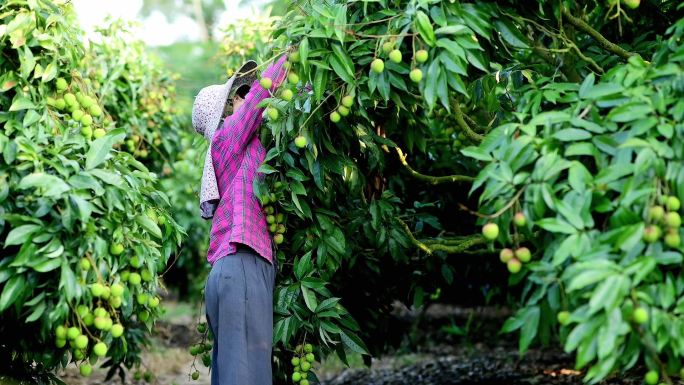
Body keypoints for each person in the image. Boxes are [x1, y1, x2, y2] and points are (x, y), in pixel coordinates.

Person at [191, 55, 287, 385]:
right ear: (230, 107)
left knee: (239, 374)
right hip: (241, 266)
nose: (244, 98)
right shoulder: (227, 137)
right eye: (238, 95)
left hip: (237, 270)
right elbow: (261, 97)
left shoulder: (244, 148)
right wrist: (293, 53)